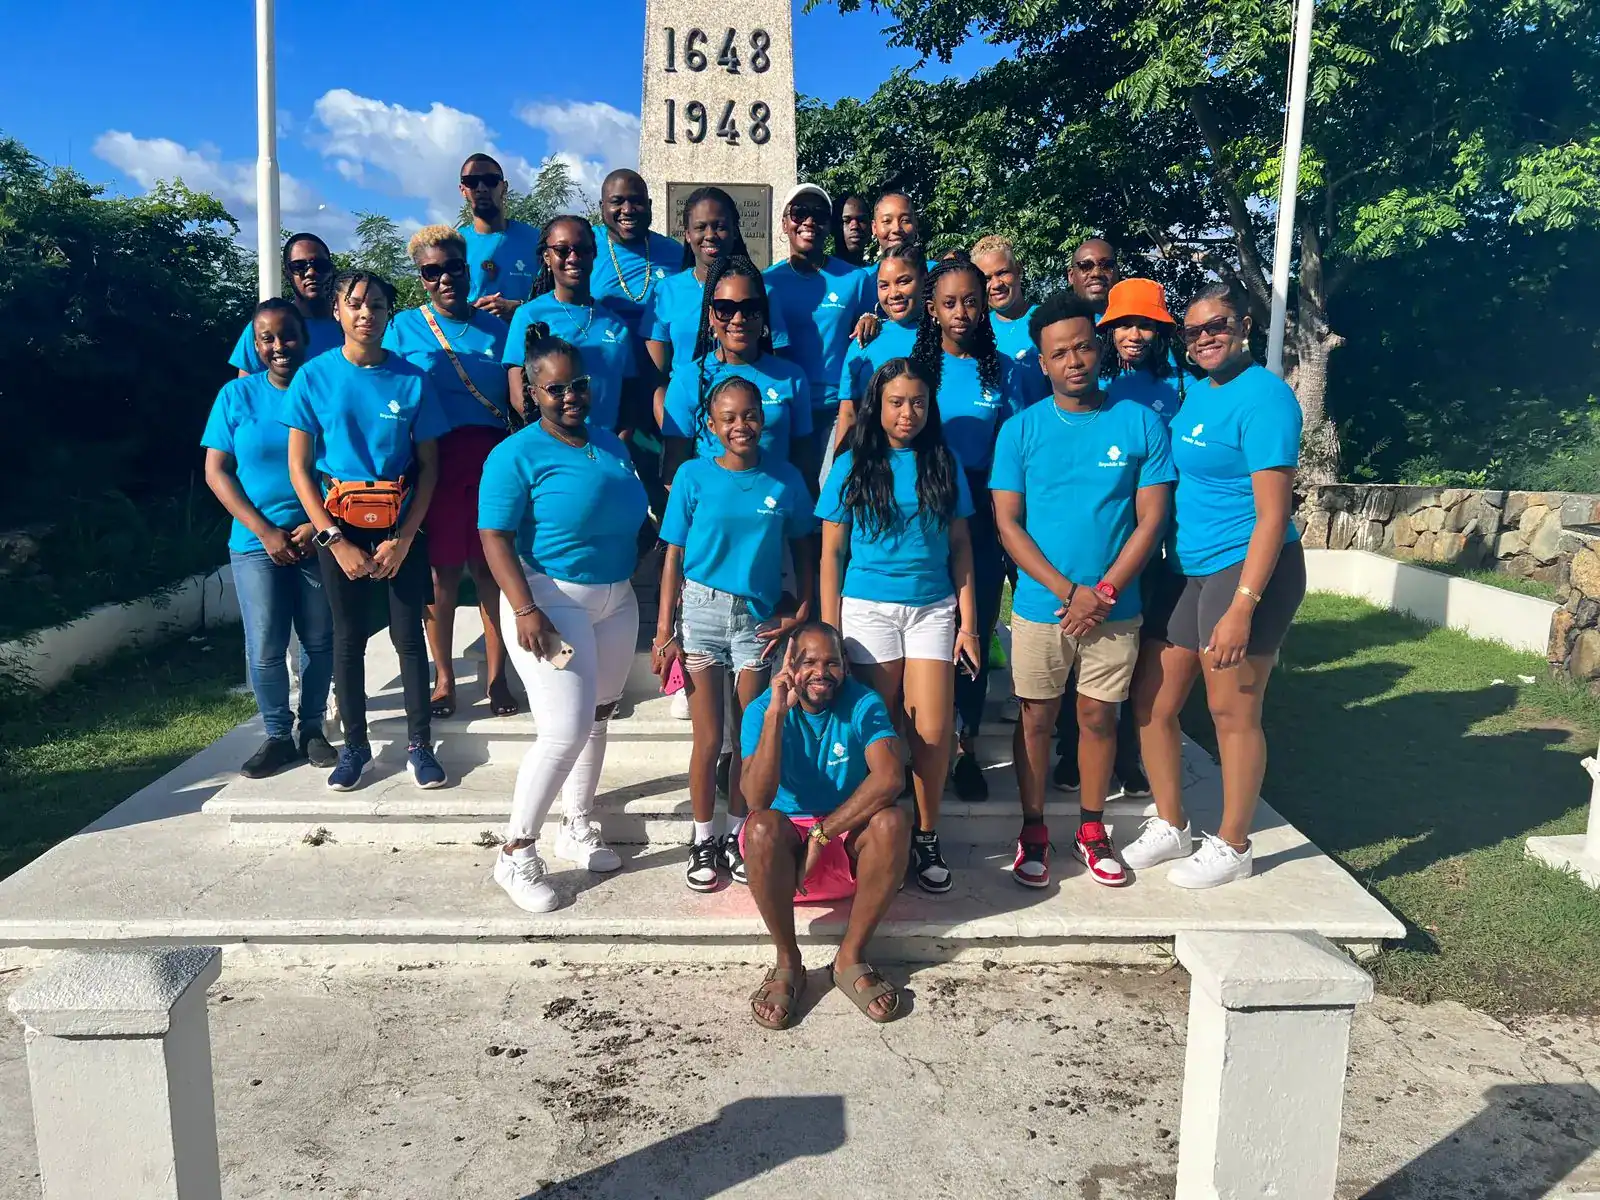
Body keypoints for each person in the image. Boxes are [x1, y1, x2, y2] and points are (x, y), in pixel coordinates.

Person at [1122, 280, 1305, 888]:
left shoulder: (1266, 400)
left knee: (1232, 709)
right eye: (1194, 330)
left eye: (1217, 326)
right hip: (1188, 568)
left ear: (1244, 324)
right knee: (1153, 700)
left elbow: (1274, 516)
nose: (1205, 338)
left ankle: (1233, 844)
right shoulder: (1197, 393)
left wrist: (1243, 607)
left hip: (1248, 567)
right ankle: (1172, 824)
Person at [990, 293, 1175, 889]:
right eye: (1059, 353)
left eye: (1082, 347)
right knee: (1035, 721)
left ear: (1099, 348)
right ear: (1041, 363)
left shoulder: (1140, 422)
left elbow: (1151, 520)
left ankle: (1092, 830)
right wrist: (1069, 591)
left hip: (1116, 609)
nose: (1074, 361)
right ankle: (1034, 829)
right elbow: (1008, 524)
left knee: (1098, 718)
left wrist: (1105, 589)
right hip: (1045, 606)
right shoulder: (1020, 431)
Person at [479, 325, 650, 912]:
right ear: (532, 393)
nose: (569, 395)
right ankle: (515, 853)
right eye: (555, 389)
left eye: (577, 384)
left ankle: (577, 824)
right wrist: (525, 608)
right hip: (549, 600)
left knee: (599, 716)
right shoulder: (515, 454)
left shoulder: (611, 443)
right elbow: (494, 536)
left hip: (615, 597)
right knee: (563, 730)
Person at [284, 270, 450, 792]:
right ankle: (354, 745)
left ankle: (419, 744)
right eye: (355, 304)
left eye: (377, 305)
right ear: (337, 310)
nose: (366, 314)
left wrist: (404, 538)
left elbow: (430, 467)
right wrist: (333, 539)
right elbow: (300, 468)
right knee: (347, 638)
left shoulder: (412, 378)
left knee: (408, 637)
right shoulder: (315, 377)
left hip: (399, 523)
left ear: (388, 315)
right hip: (339, 526)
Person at [818, 358, 978, 893]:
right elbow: (831, 553)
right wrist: (828, 632)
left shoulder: (944, 461)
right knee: (878, 728)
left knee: (931, 730)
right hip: (867, 610)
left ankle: (926, 834)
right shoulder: (852, 464)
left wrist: (970, 624)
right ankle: (870, 829)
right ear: (877, 407)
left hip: (933, 608)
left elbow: (960, 547)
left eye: (917, 402)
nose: (907, 412)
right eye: (896, 402)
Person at [655, 377, 817, 892]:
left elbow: (804, 552)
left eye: (749, 415)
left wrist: (803, 609)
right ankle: (703, 838)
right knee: (709, 739)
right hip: (701, 614)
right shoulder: (692, 476)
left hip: (757, 621)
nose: (740, 426)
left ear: (762, 418)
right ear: (711, 424)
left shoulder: (786, 479)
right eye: (728, 417)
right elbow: (674, 556)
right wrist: (664, 631)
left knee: (748, 737)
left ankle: (736, 834)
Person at [741, 623, 909, 1029]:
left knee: (893, 821)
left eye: (832, 662)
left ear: (846, 666)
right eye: (810, 662)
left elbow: (890, 778)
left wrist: (823, 833)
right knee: (760, 826)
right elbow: (755, 800)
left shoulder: (862, 702)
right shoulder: (763, 709)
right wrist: (777, 715)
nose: (822, 672)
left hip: (841, 848)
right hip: (785, 865)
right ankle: (788, 961)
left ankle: (850, 956)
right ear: (790, 665)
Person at [382, 225, 518, 722]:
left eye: (453, 268)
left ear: (468, 268)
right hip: (434, 460)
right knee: (442, 574)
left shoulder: (500, 329)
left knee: (490, 571)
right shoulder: (403, 328)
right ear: (421, 278)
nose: (444, 279)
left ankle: (497, 676)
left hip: (490, 457)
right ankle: (443, 677)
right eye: (431, 272)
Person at [908, 255, 1029, 801]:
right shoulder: (915, 368)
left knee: (971, 628)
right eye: (950, 303)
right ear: (932, 310)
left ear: (985, 307)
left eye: (971, 301)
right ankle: (910, 746)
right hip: (919, 512)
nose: (961, 312)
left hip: (980, 512)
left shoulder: (1004, 370)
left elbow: (1018, 450)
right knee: (919, 628)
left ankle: (967, 749)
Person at [203, 298, 335, 777]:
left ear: (304, 338)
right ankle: (278, 735)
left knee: (319, 640)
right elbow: (217, 471)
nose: (279, 346)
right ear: (255, 345)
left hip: (318, 536)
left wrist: (312, 525)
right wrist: (265, 531)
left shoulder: (327, 390)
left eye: (288, 335)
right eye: (268, 338)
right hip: (255, 544)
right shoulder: (235, 398)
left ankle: (313, 729)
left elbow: (345, 464)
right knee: (265, 644)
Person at [644, 187, 789, 429]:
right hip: (688, 419)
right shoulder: (665, 292)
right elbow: (656, 378)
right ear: (688, 234)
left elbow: (778, 363)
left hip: (750, 425)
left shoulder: (762, 292)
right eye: (700, 227)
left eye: (720, 226)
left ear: (734, 231)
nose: (710, 235)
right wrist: (674, 429)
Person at [661, 255, 814, 481]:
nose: (738, 319)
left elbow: (805, 471)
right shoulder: (688, 380)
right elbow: (673, 473)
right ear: (711, 315)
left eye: (750, 308)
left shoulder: (791, 378)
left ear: (763, 314)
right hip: (710, 512)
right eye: (725, 308)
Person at [504, 216, 644, 436]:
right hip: (553, 448)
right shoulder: (529, 315)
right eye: (562, 250)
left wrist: (618, 446)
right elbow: (518, 395)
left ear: (594, 254)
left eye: (582, 249)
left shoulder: (616, 325)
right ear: (547, 257)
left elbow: (628, 402)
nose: (573, 257)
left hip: (606, 452)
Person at [765, 184, 875, 462]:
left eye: (819, 215)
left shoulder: (856, 279)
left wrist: (871, 319)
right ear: (784, 223)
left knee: (829, 495)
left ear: (829, 225)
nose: (809, 221)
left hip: (840, 408)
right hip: (785, 406)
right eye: (799, 212)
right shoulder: (767, 282)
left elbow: (874, 324)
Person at [831, 247, 927, 450]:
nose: (894, 293)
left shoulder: (942, 335)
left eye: (904, 281)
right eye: (884, 285)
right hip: (874, 461)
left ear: (924, 279)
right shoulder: (864, 339)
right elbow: (849, 413)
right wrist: (838, 473)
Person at [589, 169, 683, 342]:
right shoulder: (582, 246)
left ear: (649, 205)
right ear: (602, 206)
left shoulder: (675, 252)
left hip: (660, 364)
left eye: (636, 201)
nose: (627, 210)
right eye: (617, 201)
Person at [229, 233, 343, 375]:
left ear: (331, 269)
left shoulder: (353, 326)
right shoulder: (264, 326)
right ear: (287, 273)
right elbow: (248, 392)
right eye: (299, 266)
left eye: (320, 265)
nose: (311, 273)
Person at [456, 153, 540, 318]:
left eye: (490, 180)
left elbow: (555, 299)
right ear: (463, 190)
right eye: (471, 182)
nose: (481, 188)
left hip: (524, 340)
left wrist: (518, 309)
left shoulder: (536, 240)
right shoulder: (454, 244)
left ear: (504, 187)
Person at [971, 235, 1049, 404]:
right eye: (986, 278)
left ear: (1018, 270)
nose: (996, 284)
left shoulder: (1047, 321)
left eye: (1002, 273)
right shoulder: (976, 329)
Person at [1068, 237, 1119, 316]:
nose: (1096, 273)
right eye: (1085, 266)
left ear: (1117, 272)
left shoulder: (1137, 321)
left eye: (1106, 266)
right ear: (1071, 276)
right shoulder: (1048, 322)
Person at [831, 193, 872, 268]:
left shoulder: (878, 276)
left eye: (862, 220)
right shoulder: (820, 275)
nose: (855, 226)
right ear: (833, 227)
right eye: (846, 221)